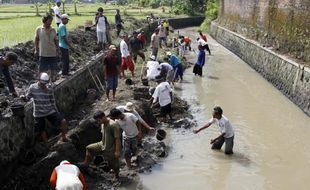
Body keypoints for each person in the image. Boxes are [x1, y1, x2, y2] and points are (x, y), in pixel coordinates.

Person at [23, 72, 68, 143]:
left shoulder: (49, 88)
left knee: (63, 121)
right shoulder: (32, 87)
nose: (44, 85)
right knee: (41, 130)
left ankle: (64, 137)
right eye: (42, 84)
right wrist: (23, 98)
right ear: (39, 80)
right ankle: (48, 144)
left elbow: (52, 101)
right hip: (38, 114)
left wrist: (57, 112)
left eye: (45, 84)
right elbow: (27, 98)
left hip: (49, 111)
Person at [82, 111, 121, 178]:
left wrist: (117, 151)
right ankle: (86, 164)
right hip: (102, 144)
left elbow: (117, 139)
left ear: (103, 117)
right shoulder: (103, 124)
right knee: (88, 148)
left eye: (98, 120)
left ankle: (116, 175)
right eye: (97, 121)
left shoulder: (113, 125)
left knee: (113, 165)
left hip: (111, 148)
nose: (98, 122)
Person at [35, 14, 59, 82]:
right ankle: (40, 81)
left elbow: (56, 40)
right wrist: (36, 49)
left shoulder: (53, 30)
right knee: (42, 69)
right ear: (44, 21)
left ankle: (51, 81)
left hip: (52, 52)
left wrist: (58, 49)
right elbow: (36, 39)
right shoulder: (39, 29)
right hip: (43, 53)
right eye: (49, 21)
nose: (50, 22)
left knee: (53, 68)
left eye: (51, 21)